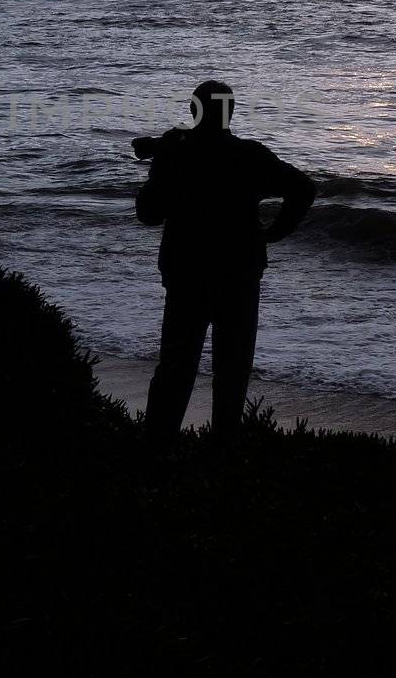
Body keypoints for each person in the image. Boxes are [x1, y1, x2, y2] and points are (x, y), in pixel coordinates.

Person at [133, 80, 315, 443]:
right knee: (232, 376)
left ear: (193, 111)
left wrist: (163, 163)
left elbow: (148, 213)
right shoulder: (249, 156)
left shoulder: (178, 156)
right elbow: (304, 188)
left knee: (175, 370)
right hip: (239, 276)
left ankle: (155, 454)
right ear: (230, 112)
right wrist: (275, 231)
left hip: (188, 276)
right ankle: (223, 459)